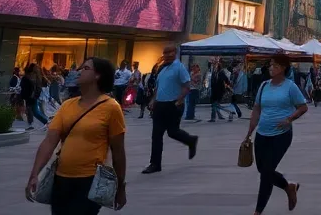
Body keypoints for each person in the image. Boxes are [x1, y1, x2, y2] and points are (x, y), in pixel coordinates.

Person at [26, 57, 128, 214]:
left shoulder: (111, 108)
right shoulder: (68, 105)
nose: (79, 72)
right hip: (61, 180)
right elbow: (49, 142)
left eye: (85, 69)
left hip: (89, 181)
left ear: (98, 76)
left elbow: (118, 151)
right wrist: (34, 174)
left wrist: (120, 187)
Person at [243, 52, 306, 214]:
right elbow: (257, 108)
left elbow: (302, 107)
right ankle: (288, 186)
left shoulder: (290, 87)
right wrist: (250, 131)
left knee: (266, 173)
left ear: (283, 68)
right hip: (262, 134)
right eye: (270, 65)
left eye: (275, 65)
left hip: (281, 135)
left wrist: (289, 119)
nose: (271, 68)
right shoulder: (264, 86)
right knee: (262, 170)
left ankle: (258, 211)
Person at [140, 45, 198, 174]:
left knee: (172, 132)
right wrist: (153, 100)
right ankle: (155, 164)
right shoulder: (162, 69)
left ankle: (191, 140)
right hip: (160, 105)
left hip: (173, 104)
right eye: (165, 53)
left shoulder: (179, 67)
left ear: (175, 53)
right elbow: (158, 87)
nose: (167, 55)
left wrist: (179, 100)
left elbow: (187, 85)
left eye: (170, 52)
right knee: (156, 135)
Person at [22, 64, 49, 129]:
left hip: (30, 96)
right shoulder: (37, 76)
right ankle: (43, 122)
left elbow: (28, 86)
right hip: (33, 96)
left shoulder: (30, 76)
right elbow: (38, 87)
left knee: (32, 111)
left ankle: (33, 123)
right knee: (33, 111)